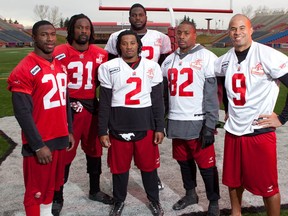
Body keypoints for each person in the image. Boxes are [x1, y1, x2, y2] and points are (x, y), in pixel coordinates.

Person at [215, 14, 288, 216]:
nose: (237, 33)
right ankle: (235, 213)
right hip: (234, 131)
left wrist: (282, 118)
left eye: (241, 28)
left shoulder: (267, 55)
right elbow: (222, 83)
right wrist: (228, 109)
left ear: (251, 30)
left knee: (268, 186)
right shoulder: (224, 60)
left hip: (259, 132)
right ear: (228, 32)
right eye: (233, 29)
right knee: (233, 180)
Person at [7, 20, 74, 216]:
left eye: (52, 34)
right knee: (35, 193)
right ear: (34, 37)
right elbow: (22, 112)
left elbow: (65, 99)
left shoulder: (60, 65)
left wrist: (69, 129)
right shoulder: (24, 68)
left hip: (59, 137)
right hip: (41, 141)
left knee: (51, 189)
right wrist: (37, 145)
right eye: (44, 34)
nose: (49, 38)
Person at [105, 2, 171, 191]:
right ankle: (122, 186)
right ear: (129, 18)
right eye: (134, 15)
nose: (137, 18)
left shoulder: (160, 37)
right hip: (127, 91)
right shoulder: (116, 37)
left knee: (149, 140)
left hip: (150, 86)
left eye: (140, 15)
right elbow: (113, 64)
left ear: (146, 16)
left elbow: (164, 65)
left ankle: (153, 177)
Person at [98, 30, 165, 216]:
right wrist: (102, 130)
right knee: (119, 169)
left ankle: (154, 201)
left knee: (149, 167)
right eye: (124, 43)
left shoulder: (152, 66)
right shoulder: (108, 67)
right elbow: (104, 102)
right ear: (119, 46)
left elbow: (157, 100)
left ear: (138, 45)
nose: (128, 47)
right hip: (118, 124)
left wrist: (160, 126)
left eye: (132, 43)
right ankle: (119, 201)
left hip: (145, 123)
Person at [52, 13, 113, 215]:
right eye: (79, 27)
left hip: (91, 107)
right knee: (65, 153)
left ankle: (94, 190)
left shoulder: (100, 54)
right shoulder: (59, 52)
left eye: (87, 28)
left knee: (95, 151)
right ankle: (57, 196)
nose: (83, 31)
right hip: (68, 110)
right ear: (72, 29)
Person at [161, 20, 220, 216]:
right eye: (179, 33)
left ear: (195, 35)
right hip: (177, 121)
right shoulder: (169, 60)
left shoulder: (207, 57)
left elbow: (212, 96)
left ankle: (213, 202)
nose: (182, 37)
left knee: (207, 166)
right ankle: (190, 194)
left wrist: (210, 125)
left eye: (186, 33)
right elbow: (164, 95)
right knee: (183, 162)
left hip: (198, 120)